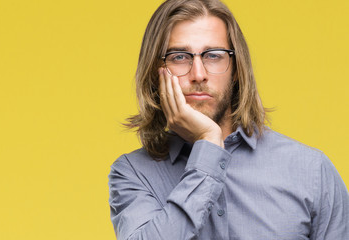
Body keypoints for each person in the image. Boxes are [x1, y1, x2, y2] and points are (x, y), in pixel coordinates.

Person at [108, 0, 349, 239]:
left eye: (214, 55)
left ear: (236, 70)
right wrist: (209, 144)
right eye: (180, 56)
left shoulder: (311, 171)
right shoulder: (133, 173)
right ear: (154, 71)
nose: (199, 74)